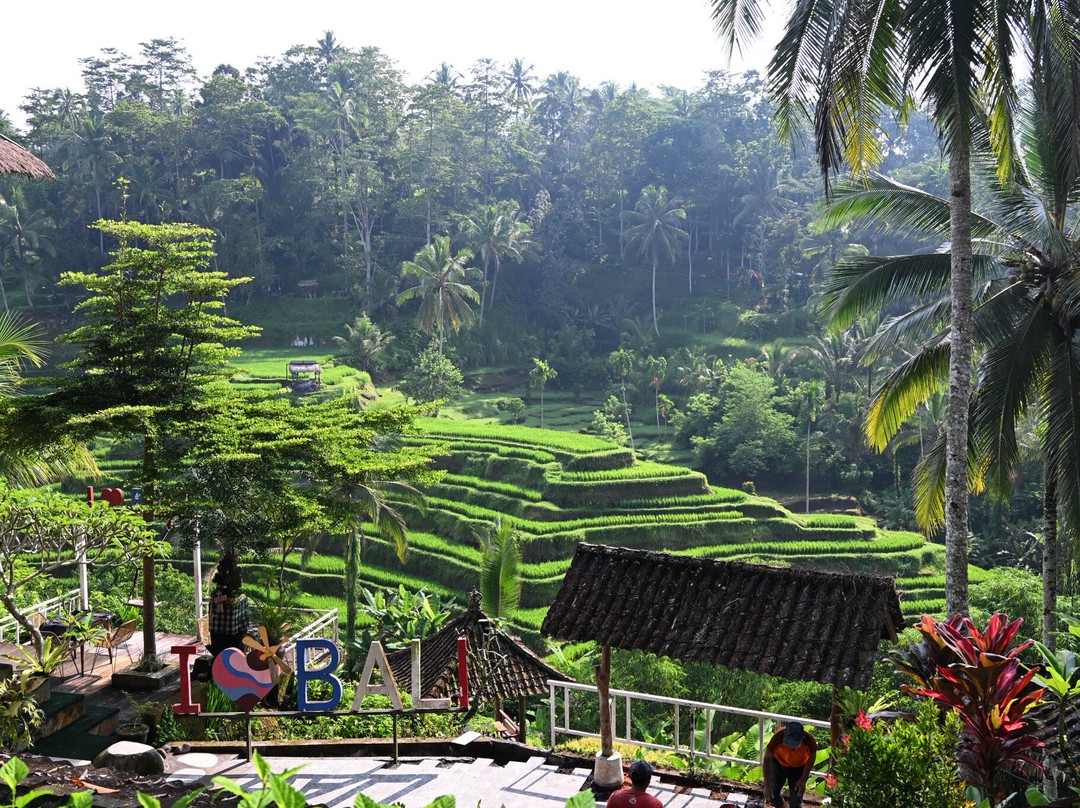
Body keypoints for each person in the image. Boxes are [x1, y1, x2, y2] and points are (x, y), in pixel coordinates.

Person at [763, 722, 817, 808]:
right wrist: (767, 784)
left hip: (799, 768)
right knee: (772, 795)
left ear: (802, 738)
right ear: (784, 735)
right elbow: (767, 758)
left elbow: (811, 759)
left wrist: (803, 780)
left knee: (796, 799)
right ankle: (783, 806)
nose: (792, 747)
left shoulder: (809, 741)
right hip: (779, 764)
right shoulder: (778, 737)